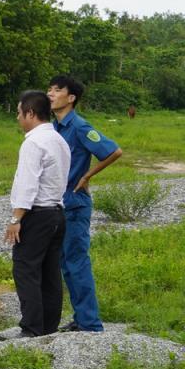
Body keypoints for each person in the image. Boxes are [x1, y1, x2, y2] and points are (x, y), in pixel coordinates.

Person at [47, 74, 123, 333]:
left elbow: (114, 150)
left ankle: (90, 324)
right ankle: (81, 318)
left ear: (71, 98)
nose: (51, 94)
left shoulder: (79, 126)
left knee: (77, 262)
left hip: (75, 203)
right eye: (50, 90)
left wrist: (87, 176)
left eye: (57, 91)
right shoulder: (54, 128)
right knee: (65, 263)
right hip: (58, 203)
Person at [8, 90, 71, 337]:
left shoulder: (33, 142)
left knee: (25, 269)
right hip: (57, 213)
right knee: (49, 272)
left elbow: (27, 184)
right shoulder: (58, 140)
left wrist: (16, 219)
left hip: (37, 214)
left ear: (30, 113)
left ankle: (32, 328)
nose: (17, 118)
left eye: (18, 112)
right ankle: (48, 326)